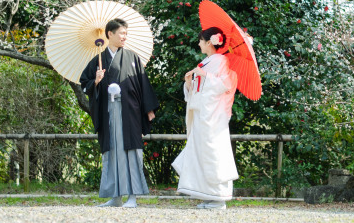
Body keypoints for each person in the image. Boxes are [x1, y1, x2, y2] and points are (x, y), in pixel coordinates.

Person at [79, 18, 159, 208]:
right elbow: (85, 84)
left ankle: (132, 196)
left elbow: (143, 84)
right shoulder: (97, 61)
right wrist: (96, 81)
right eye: (121, 33)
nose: (124, 36)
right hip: (109, 112)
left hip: (130, 111)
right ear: (109, 34)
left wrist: (148, 109)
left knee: (131, 151)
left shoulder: (132, 58)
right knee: (112, 150)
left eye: (125, 33)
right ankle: (115, 196)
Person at [172, 26, 239, 209]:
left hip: (213, 117)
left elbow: (226, 84)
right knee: (201, 153)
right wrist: (188, 84)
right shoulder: (206, 62)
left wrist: (206, 76)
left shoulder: (220, 61)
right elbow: (198, 90)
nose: (199, 43)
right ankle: (208, 196)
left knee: (213, 153)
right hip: (202, 115)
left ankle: (218, 198)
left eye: (201, 40)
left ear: (209, 42)